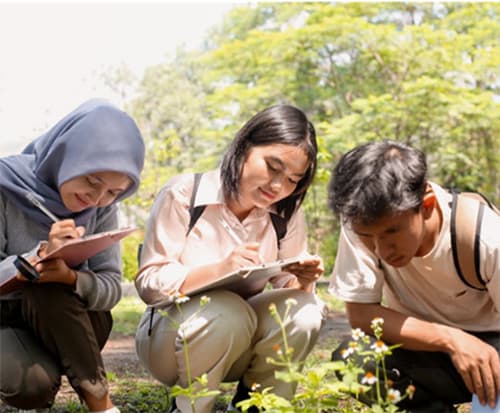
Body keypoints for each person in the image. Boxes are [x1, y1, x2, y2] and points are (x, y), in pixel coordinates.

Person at [135, 105, 325, 413]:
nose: (279, 187)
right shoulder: (184, 194)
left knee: (305, 310)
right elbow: (149, 284)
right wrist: (221, 269)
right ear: (244, 146)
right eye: (273, 167)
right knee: (227, 309)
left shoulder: (285, 213)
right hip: (170, 341)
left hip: (240, 342)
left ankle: (261, 405)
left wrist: (303, 281)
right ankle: (190, 407)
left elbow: (290, 300)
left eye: (293, 179)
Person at [327, 140, 500, 412]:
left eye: (392, 232)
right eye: (367, 237)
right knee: (355, 358)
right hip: (428, 350)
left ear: (427, 204)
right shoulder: (359, 221)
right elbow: (361, 315)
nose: (381, 250)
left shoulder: (486, 236)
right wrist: (452, 339)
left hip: (494, 350)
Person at [0, 99, 145, 413]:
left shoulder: (103, 207)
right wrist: (34, 259)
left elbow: (111, 288)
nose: (97, 198)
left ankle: (100, 404)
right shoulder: (4, 185)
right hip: (6, 320)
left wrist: (72, 277)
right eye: (92, 181)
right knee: (31, 386)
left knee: (53, 284)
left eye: (113, 192)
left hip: (76, 318)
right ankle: (67, 382)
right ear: (65, 155)